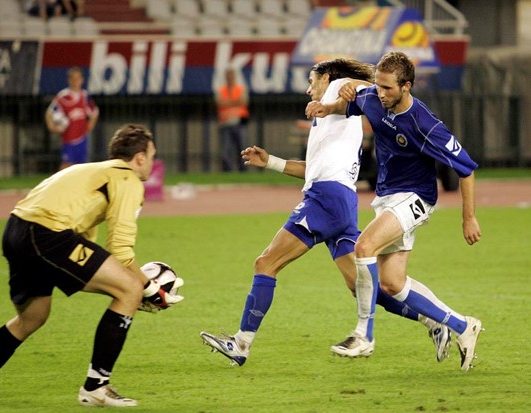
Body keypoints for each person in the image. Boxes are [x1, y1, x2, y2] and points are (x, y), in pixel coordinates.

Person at [199, 59, 451, 367]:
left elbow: (365, 86)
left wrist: (352, 88)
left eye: (311, 81)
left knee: (266, 263)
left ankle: (241, 343)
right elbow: (311, 171)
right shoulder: (335, 118)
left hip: (326, 199)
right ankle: (434, 321)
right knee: (362, 286)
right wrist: (270, 162)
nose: (308, 89)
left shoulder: (337, 93)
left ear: (328, 78)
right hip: (338, 201)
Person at [0, 124, 183, 407]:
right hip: (45, 234)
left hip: (16, 230)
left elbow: (85, 242)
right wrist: (148, 288)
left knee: (32, 317)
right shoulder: (127, 178)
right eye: (152, 153)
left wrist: (125, 288)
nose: (153, 161)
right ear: (141, 158)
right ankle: (96, 387)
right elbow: (120, 250)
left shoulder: (91, 170)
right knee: (129, 289)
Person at [305, 51, 483, 371]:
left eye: (387, 88)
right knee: (392, 284)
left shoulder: (425, 124)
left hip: (416, 198)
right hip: (387, 197)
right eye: (378, 86)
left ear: (407, 86)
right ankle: (462, 325)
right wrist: (328, 106)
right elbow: (353, 100)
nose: (380, 93)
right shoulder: (374, 96)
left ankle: (363, 335)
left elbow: (466, 169)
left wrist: (468, 217)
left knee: (364, 247)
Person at [46, 66, 99, 170]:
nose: (75, 81)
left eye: (78, 78)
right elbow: (49, 113)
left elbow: (95, 112)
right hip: (68, 139)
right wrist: (52, 127)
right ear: (69, 80)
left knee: (82, 166)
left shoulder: (85, 96)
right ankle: (59, 185)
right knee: (66, 165)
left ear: (82, 80)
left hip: (82, 139)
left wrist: (89, 127)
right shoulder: (63, 96)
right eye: (73, 78)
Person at [215, 68, 250, 172]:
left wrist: (228, 102)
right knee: (226, 150)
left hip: (239, 123)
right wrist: (236, 102)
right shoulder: (221, 90)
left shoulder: (240, 89)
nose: (229, 78)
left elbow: (244, 101)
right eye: (228, 75)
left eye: (231, 75)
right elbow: (220, 103)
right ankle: (227, 171)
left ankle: (243, 171)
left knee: (243, 149)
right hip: (225, 124)